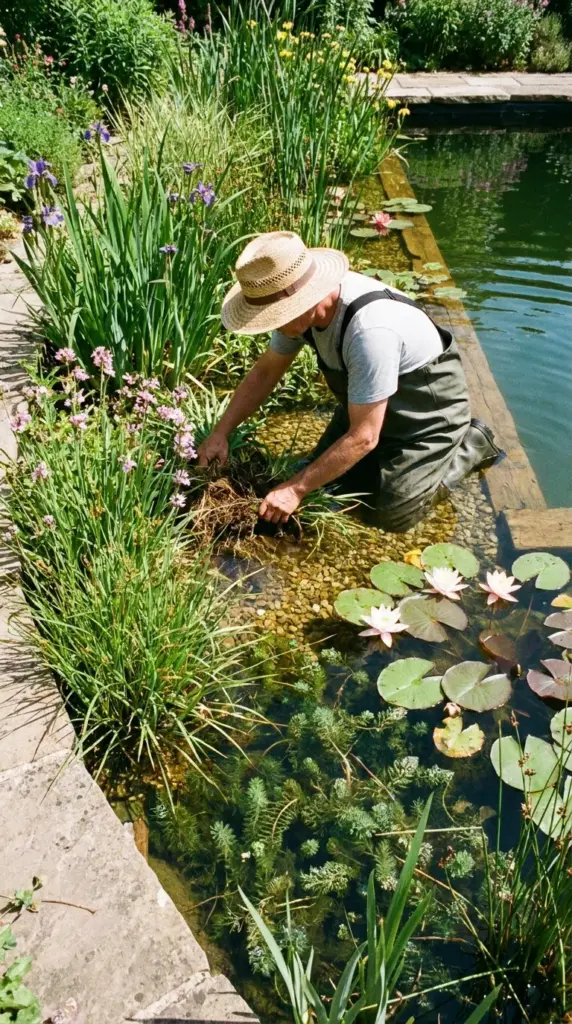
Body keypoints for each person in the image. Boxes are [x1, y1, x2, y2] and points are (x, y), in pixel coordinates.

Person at [197, 231, 501, 531]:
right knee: (325, 483)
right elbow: (265, 373)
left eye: (275, 316)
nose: (273, 325)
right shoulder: (299, 315)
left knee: (390, 514)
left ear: (301, 299)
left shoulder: (370, 331)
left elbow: (364, 437)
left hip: (425, 419)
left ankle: (471, 444)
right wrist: (220, 433)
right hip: (367, 406)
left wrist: (295, 490)